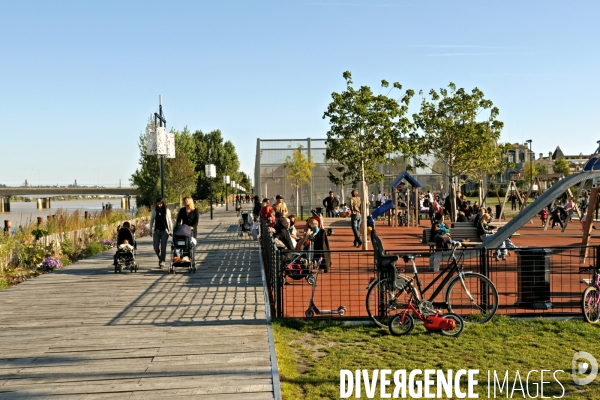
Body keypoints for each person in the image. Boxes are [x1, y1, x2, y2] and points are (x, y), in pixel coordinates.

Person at [149, 197, 173, 268]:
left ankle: (162, 261)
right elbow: (152, 221)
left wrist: (171, 230)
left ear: (163, 203)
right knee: (155, 247)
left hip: (164, 231)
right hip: (156, 231)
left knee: (163, 247)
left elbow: (169, 221)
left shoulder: (167, 210)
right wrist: (150, 230)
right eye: (158, 203)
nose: (159, 205)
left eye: (161, 204)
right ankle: (160, 258)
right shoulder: (154, 211)